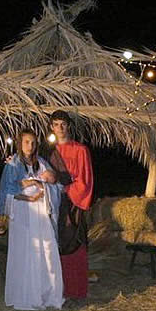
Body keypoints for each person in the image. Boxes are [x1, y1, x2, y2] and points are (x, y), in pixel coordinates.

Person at [0, 128, 64, 310]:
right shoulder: (13, 164)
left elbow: (54, 184)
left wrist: (43, 185)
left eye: (33, 142)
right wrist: (29, 192)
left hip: (40, 213)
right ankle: (26, 294)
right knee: (26, 250)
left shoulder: (41, 162)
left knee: (46, 250)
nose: (30, 146)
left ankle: (46, 293)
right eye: (27, 142)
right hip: (23, 213)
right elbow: (8, 191)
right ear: (20, 143)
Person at [47, 110, 94, 299]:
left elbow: (86, 180)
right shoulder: (47, 152)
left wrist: (66, 190)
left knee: (74, 243)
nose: (60, 128)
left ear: (68, 126)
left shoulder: (80, 150)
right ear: (51, 127)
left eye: (63, 124)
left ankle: (75, 290)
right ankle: (57, 290)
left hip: (72, 204)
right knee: (53, 244)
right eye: (56, 124)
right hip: (51, 202)